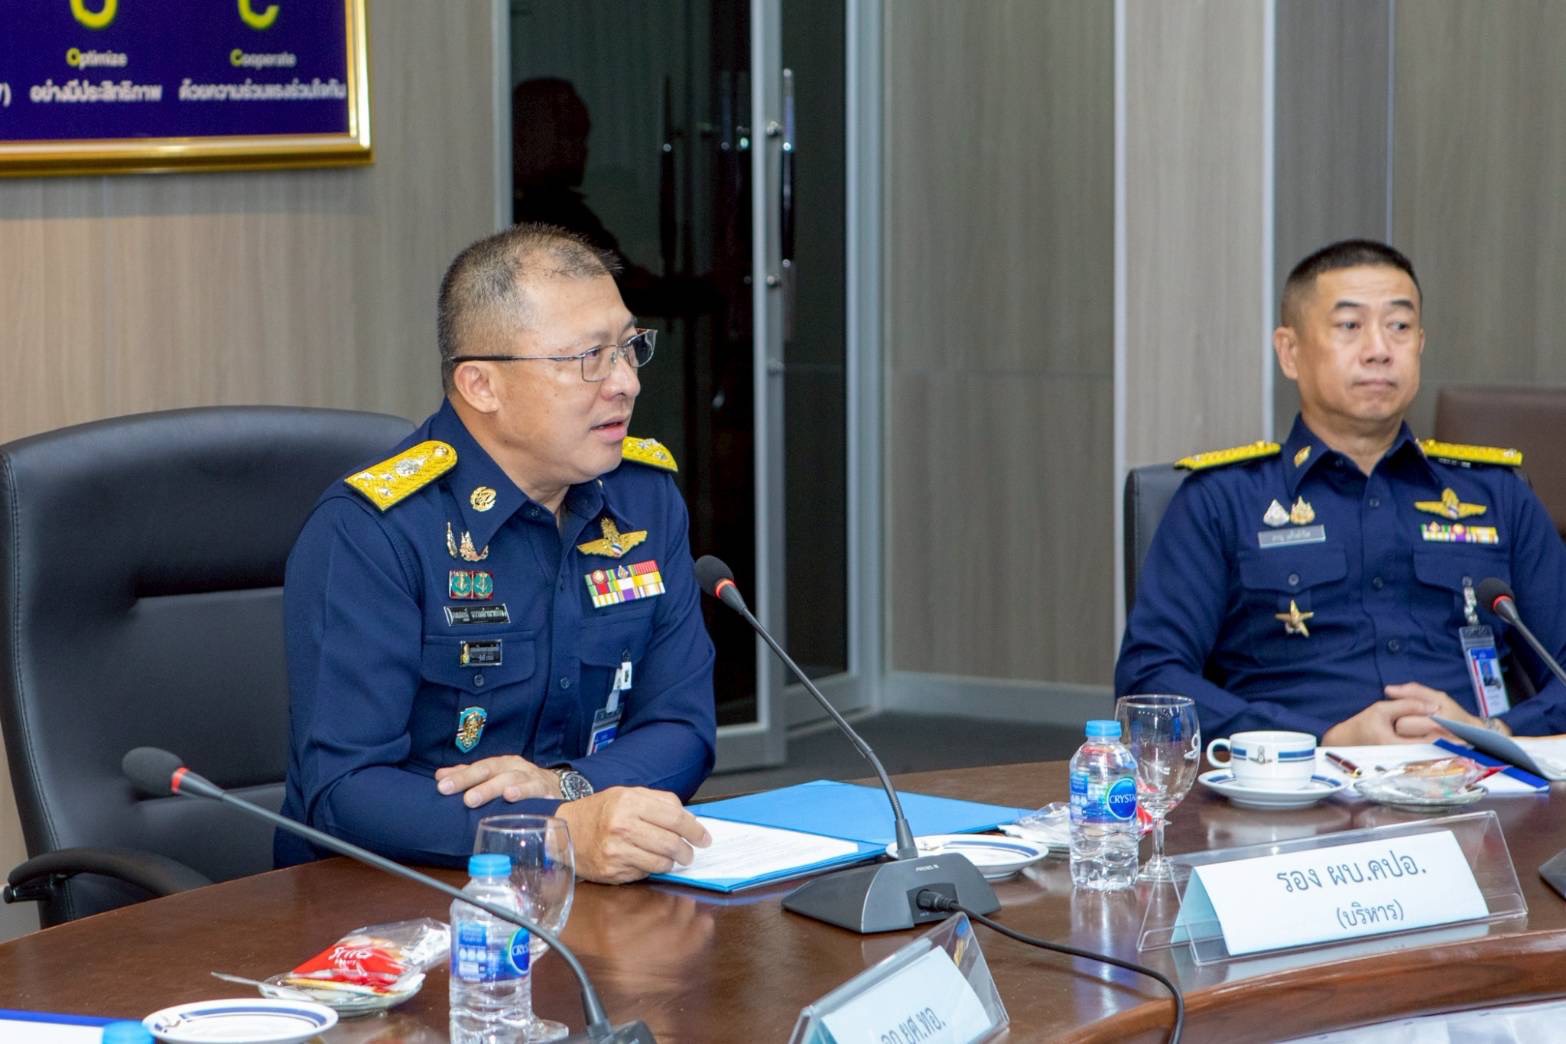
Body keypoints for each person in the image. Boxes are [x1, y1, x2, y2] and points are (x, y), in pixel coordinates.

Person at [276, 224, 716, 882]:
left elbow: (683, 725)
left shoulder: (644, 498)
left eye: (628, 348)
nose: (625, 382)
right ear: (482, 385)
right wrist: (551, 831)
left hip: (595, 886)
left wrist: (568, 788)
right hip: (396, 895)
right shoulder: (373, 530)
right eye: (588, 358)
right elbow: (344, 792)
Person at [1116, 239, 1566, 745]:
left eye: (1399, 326)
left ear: (1420, 343)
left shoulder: (1497, 496)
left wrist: (1494, 732)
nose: (1379, 350)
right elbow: (1150, 681)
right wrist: (1322, 737)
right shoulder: (1222, 500)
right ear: (1290, 352)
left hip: (1474, 778)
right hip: (1298, 781)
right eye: (1350, 326)